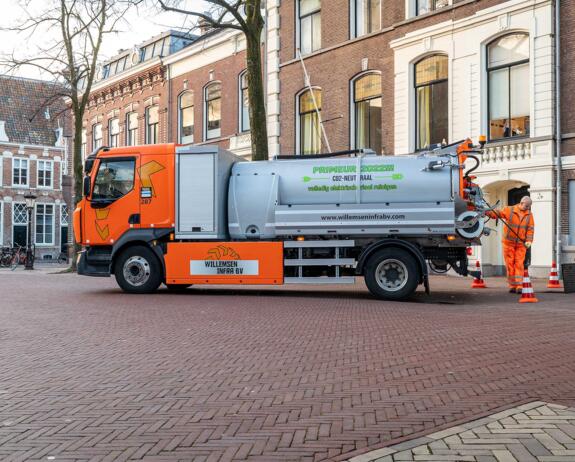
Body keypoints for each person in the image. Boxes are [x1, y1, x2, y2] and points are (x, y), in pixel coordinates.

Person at [486, 196, 534, 293]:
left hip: (521, 244)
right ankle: (512, 285)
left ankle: (519, 285)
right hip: (508, 243)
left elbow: (530, 229)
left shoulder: (529, 215)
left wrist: (529, 241)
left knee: (519, 264)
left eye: (529, 206)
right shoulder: (510, 210)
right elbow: (498, 214)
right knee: (510, 264)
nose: (528, 208)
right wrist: (487, 212)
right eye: (527, 206)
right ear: (521, 203)